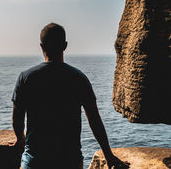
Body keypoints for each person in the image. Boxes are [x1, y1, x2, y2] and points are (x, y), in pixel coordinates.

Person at [11, 23, 129, 169]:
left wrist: (20, 139)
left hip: (35, 162)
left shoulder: (25, 78)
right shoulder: (79, 78)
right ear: (65, 46)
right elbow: (95, 120)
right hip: (70, 161)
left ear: (42, 47)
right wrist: (108, 155)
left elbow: (17, 119)